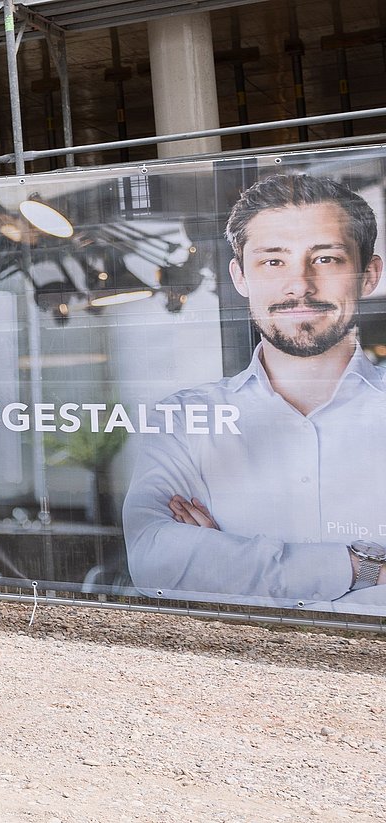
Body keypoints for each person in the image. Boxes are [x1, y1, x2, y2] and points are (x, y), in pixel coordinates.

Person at [123, 173, 386, 606]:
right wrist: (363, 569)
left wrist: (224, 561)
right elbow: (156, 561)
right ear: (241, 277)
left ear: (369, 274)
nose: (299, 285)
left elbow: (191, 567)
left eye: (326, 259)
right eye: (273, 261)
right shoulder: (186, 419)